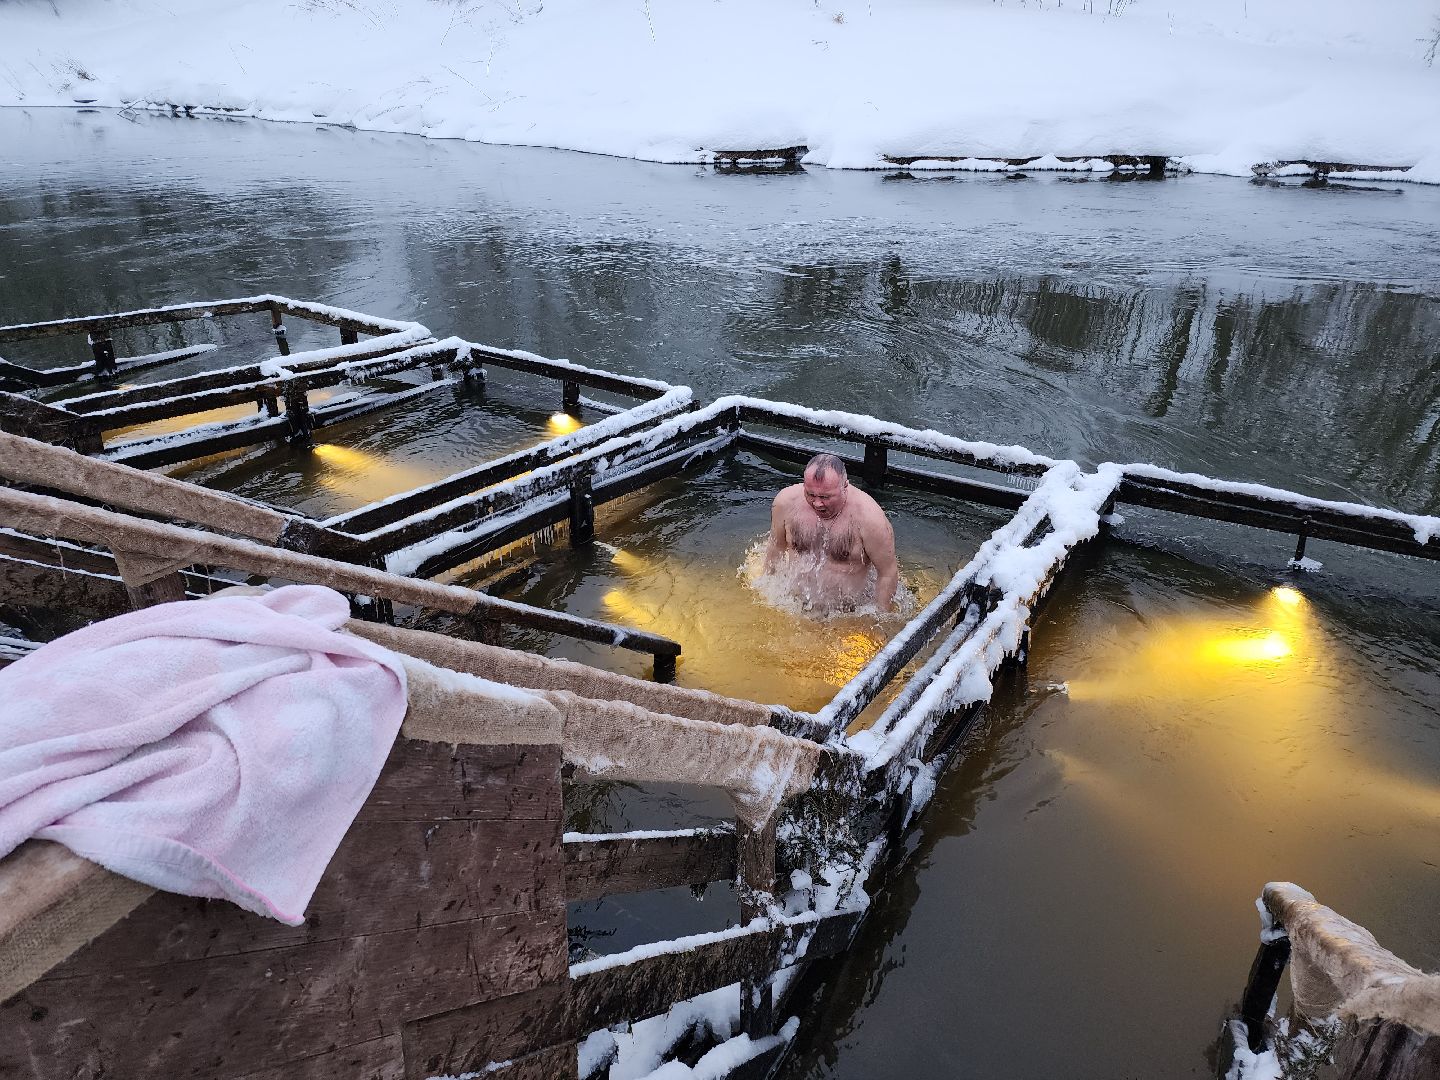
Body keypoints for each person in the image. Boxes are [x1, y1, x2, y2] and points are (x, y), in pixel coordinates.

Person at [763, 452, 900, 613]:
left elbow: (887, 572)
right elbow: (776, 549)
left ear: (845, 486)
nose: (817, 503)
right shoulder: (786, 502)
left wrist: (880, 617)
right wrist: (768, 595)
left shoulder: (870, 519)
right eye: (810, 494)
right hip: (795, 603)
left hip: (847, 612)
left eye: (825, 497)